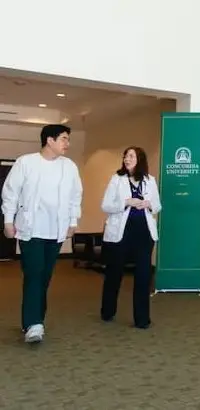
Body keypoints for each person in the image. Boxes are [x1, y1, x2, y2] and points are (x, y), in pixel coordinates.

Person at [1, 124, 83, 343]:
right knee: (34, 275)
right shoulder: (26, 163)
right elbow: (10, 193)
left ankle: (33, 320)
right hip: (31, 229)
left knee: (44, 277)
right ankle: (34, 324)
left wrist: (73, 220)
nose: (68, 143)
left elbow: (76, 196)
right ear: (49, 140)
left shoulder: (69, 166)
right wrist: (8, 220)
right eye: (64, 138)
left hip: (55, 230)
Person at [100, 146, 161, 329]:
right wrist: (126, 202)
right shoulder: (117, 179)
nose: (127, 159)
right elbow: (106, 205)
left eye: (131, 156)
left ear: (140, 159)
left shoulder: (150, 181)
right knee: (114, 273)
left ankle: (142, 319)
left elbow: (157, 206)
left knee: (143, 275)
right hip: (121, 233)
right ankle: (108, 311)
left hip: (144, 233)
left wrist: (148, 204)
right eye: (126, 156)